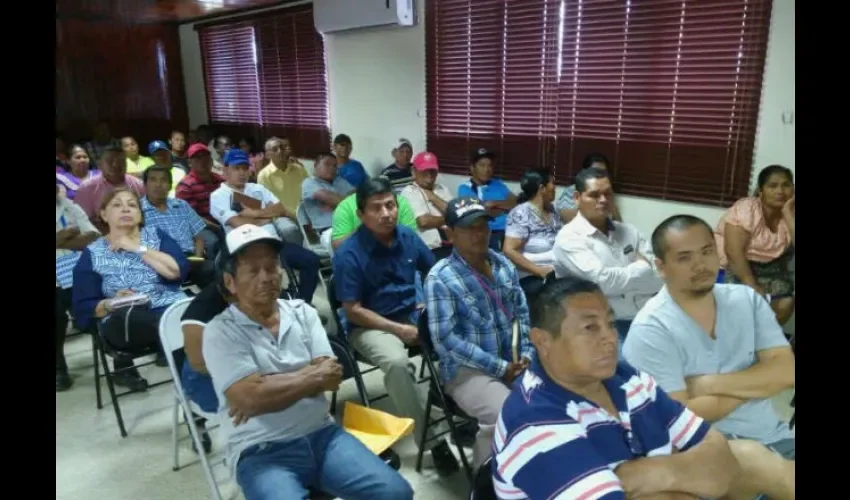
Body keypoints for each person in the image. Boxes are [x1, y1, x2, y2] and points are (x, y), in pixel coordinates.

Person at [202, 224, 413, 500]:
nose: (267, 277)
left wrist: (268, 386)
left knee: (396, 493)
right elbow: (251, 399)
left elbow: (332, 377)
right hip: (261, 451)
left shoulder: (303, 313)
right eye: (253, 270)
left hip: (323, 434)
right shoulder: (221, 331)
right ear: (230, 282)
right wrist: (309, 377)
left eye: (272, 266)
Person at [493, 277, 740, 500]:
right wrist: (685, 477)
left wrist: (645, 473)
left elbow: (718, 457)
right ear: (542, 341)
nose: (610, 337)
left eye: (610, 324)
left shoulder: (625, 378)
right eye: (590, 327)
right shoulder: (533, 421)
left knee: (748, 457)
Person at [623, 214, 795, 500]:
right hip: (707, 452)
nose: (700, 265)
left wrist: (705, 384)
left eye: (706, 252)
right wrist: (760, 381)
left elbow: (786, 372)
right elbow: (677, 418)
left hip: (776, 436)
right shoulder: (651, 329)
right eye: (685, 258)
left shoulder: (747, 301)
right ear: (661, 267)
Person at [333, 178, 460, 476]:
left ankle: (453, 409)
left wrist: (432, 305)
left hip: (410, 312)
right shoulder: (349, 253)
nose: (386, 213)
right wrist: (398, 330)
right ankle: (434, 439)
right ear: (362, 214)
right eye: (376, 208)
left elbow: (434, 274)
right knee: (397, 362)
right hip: (368, 324)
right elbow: (352, 309)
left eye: (390, 205)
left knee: (457, 334)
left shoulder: (408, 236)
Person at [424, 196, 533, 467]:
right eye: (469, 228)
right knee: (506, 413)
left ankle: (528, 468)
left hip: (513, 360)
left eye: (483, 226)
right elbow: (446, 341)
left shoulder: (503, 264)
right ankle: (485, 483)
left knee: (551, 400)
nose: (479, 234)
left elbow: (522, 313)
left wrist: (527, 353)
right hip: (466, 371)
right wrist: (500, 368)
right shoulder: (441, 278)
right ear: (450, 233)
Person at [72, 189, 190, 391]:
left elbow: (176, 272)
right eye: (117, 205)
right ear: (103, 214)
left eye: (132, 204)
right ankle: (174, 341)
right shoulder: (93, 253)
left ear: (140, 213)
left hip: (168, 306)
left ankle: (193, 395)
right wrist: (110, 303)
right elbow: (83, 305)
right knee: (180, 323)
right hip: (126, 320)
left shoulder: (156, 236)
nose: (125, 208)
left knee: (188, 312)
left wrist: (137, 247)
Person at [552, 167, 662, 345]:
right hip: (597, 327)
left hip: (642, 319)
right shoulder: (570, 238)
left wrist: (622, 280)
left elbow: (660, 275)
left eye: (608, 194)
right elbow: (603, 282)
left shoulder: (629, 231)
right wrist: (640, 269)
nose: (603, 200)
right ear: (577, 198)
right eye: (594, 195)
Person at [210, 148, 321, 303]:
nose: (242, 173)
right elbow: (237, 223)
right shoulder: (218, 196)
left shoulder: (257, 189)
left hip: (274, 244)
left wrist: (254, 214)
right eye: (237, 168)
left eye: (244, 168)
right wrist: (266, 217)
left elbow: (280, 208)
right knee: (271, 287)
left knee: (311, 260)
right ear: (225, 170)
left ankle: (302, 304)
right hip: (247, 249)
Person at [715, 165, 795, 325]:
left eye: (786, 185)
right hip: (738, 265)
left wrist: (787, 214)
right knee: (742, 306)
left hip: (772, 268)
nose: (780, 191)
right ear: (761, 191)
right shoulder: (747, 209)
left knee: (786, 303)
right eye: (773, 186)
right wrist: (752, 285)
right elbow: (733, 252)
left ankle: (761, 342)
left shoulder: (791, 212)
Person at [141, 165, 216, 288]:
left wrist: (198, 258)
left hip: (190, 259)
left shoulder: (181, 205)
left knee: (214, 270)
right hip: (160, 262)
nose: (158, 184)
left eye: (163, 180)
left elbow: (199, 236)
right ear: (145, 185)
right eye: (153, 180)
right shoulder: (139, 211)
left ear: (170, 185)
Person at [56, 186, 100, 390]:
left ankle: (123, 365)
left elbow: (93, 237)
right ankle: (59, 370)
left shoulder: (70, 208)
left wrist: (63, 240)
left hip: (77, 273)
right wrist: (66, 234)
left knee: (98, 313)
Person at [503, 168, 562, 298]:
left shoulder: (553, 211)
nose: (555, 187)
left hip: (555, 271)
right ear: (542, 188)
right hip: (531, 275)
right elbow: (509, 250)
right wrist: (540, 271)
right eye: (552, 183)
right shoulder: (521, 213)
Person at [457, 148, 516, 250]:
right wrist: (505, 207)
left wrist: (492, 203)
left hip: (512, 230)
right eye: (482, 165)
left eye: (490, 166)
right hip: (491, 234)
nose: (486, 169)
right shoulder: (465, 188)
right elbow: (478, 215)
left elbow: (515, 203)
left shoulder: (497, 184)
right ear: (472, 168)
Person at [399, 152, 454, 260]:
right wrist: (450, 218)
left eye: (433, 171)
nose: (429, 175)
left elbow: (457, 212)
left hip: (452, 246)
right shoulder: (409, 192)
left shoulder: (442, 189)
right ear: (413, 171)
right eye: (425, 171)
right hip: (429, 250)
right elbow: (424, 221)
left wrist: (433, 197)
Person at [175, 143, 226, 258]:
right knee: (213, 243)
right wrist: (217, 227)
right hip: (200, 227)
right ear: (189, 163)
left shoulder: (221, 181)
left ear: (211, 161)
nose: (203, 161)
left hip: (224, 221)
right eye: (198, 158)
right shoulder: (185, 186)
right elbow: (191, 217)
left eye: (206, 157)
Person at [300, 152, 355, 251]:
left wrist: (336, 202)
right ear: (316, 165)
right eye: (327, 164)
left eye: (335, 166)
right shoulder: (310, 183)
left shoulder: (339, 181)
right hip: (329, 230)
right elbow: (336, 201)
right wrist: (340, 200)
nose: (332, 168)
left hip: (352, 224)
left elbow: (358, 197)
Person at [555, 152, 622, 222]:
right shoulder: (571, 191)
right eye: (594, 171)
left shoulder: (607, 193)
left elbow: (617, 221)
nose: (599, 175)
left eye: (603, 172)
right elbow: (565, 215)